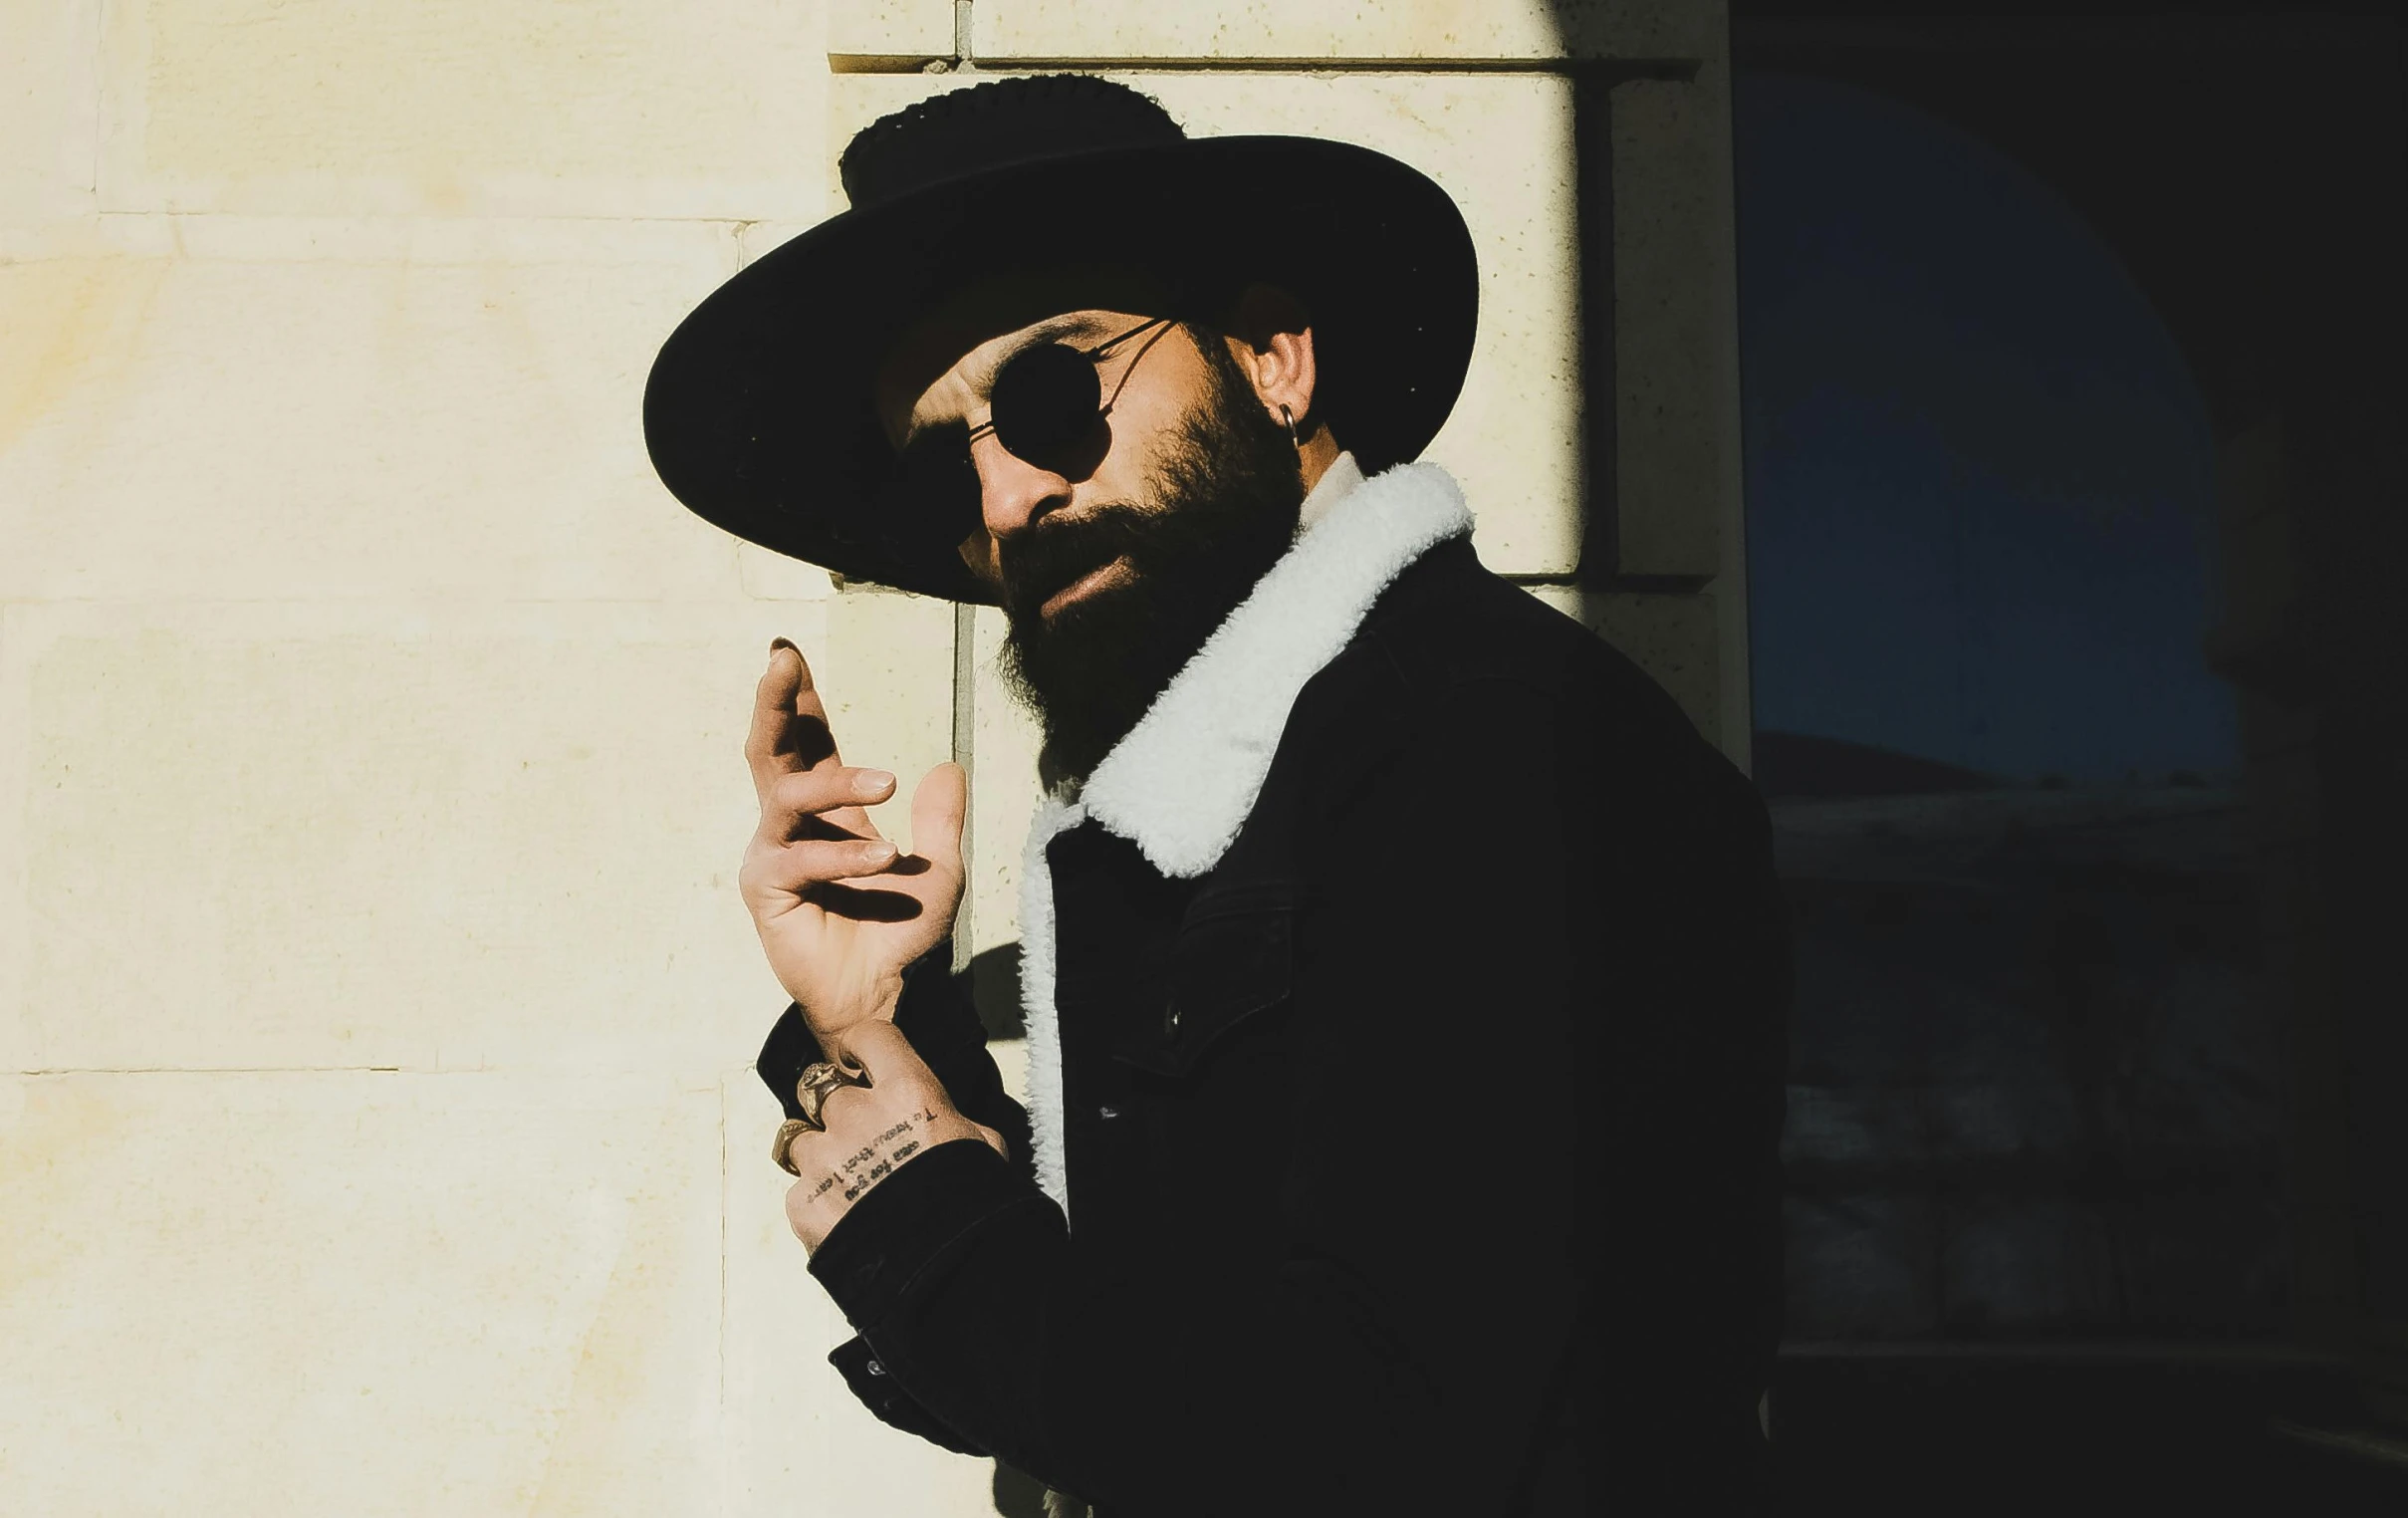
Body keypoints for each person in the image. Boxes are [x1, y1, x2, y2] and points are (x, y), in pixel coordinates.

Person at [644, 73, 1790, 1518]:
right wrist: (879, 1027)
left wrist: (917, 1217)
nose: (1005, 503)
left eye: (1052, 401)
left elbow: (1361, 1442)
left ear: (1271, 362)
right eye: (946, 460)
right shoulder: (1254, 785)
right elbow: (1146, 1363)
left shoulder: (1487, 749)